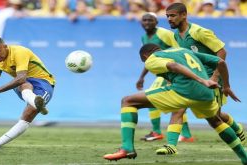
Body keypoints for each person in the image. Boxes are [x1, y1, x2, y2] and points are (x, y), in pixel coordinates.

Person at [103, 44, 247, 165]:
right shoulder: (184, 50)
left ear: (145, 57)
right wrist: (226, 86)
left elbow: (173, 65)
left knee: (127, 101)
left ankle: (127, 148)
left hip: (186, 90)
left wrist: (201, 80)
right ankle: (244, 157)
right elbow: (220, 62)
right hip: (206, 94)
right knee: (216, 120)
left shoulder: (151, 60)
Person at [156, 2, 246, 154]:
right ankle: (171, 145)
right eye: (167, 16)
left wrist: (215, 77)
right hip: (196, 79)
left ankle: (237, 129)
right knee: (178, 107)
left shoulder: (199, 32)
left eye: (172, 16)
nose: (169, 19)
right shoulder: (177, 36)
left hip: (211, 79)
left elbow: (222, 52)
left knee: (215, 116)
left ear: (184, 15)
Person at [137, 12, 194, 142]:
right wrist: (142, 77)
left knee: (151, 98)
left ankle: (157, 132)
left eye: (150, 20)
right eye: (144, 20)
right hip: (164, 74)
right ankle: (186, 134)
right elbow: (149, 59)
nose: (147, 22)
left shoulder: (163, 33)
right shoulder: (144, 37)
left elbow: (181, 47)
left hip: (173, 72)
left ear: (156, 22)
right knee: (177, 103)